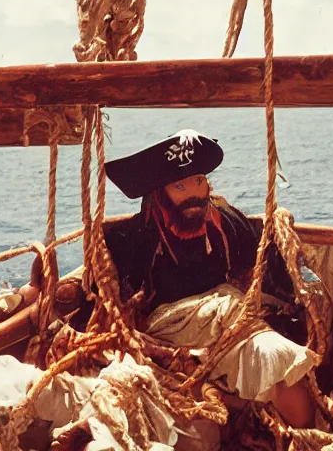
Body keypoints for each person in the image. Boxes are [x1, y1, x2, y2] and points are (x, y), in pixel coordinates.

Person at [99, 129, 317, 436]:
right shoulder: (130, 238)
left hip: (233, 320)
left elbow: (260, 264)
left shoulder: (226, 222)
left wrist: (299, 291)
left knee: (278, 357)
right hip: (167, 330)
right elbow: (109, 300)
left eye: (199, 180)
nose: (194, 193)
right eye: (180, 185)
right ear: (159, 192)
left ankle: (306, 438)